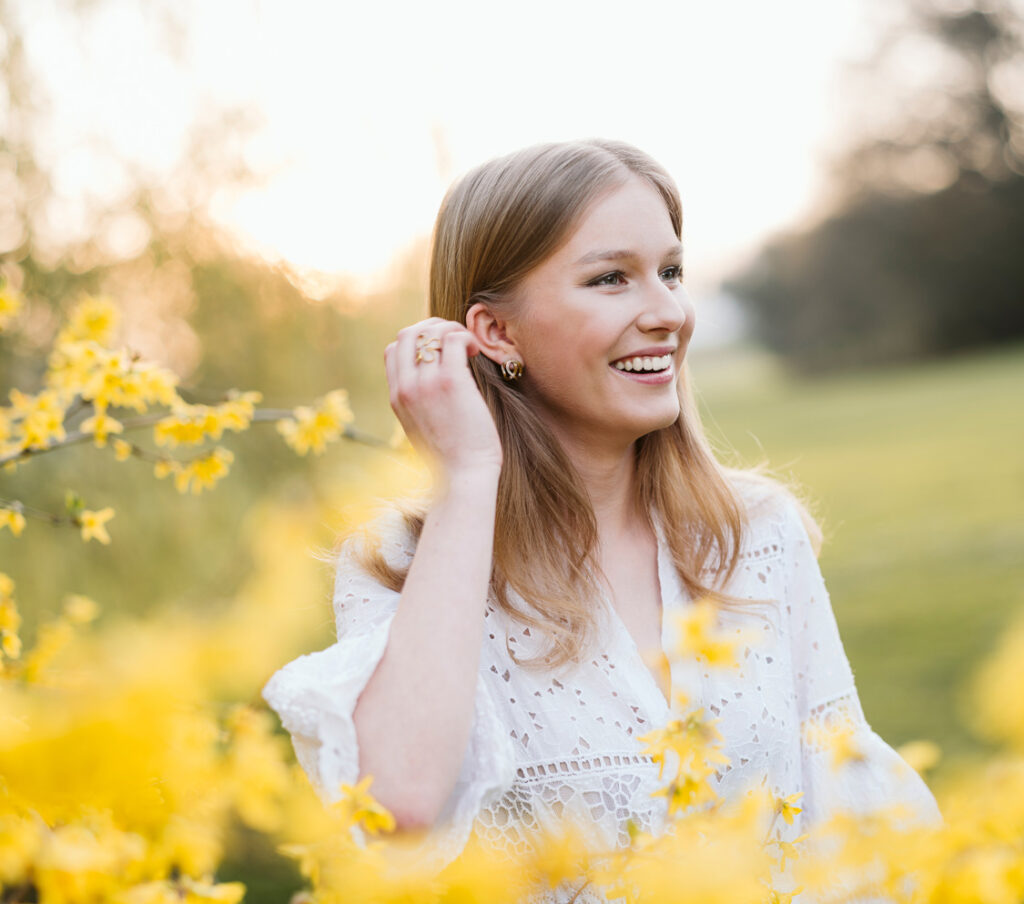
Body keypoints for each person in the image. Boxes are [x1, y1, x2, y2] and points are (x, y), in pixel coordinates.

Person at [261, 138, 942, 897]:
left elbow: (850, 813)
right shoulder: (400, 560)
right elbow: (401, 808)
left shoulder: (755, 535)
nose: (668, 313)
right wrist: (466, 481)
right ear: (496, 333)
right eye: (611, 278)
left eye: (671, 272)